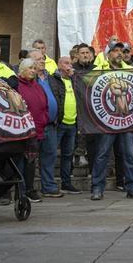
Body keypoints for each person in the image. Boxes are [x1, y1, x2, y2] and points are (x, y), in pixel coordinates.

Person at [90, 42, 133, 200]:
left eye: (122, 50)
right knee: (102, 155)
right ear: (108, 54)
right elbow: (86, 86)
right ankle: (97, 188)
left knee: (130, 155)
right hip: (106, 121)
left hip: (127, 120)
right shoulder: (98, 70)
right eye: (115, 50)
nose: (119, 53)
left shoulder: (132, 70)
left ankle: (132, 187)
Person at [25, 49, 62, 199]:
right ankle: (28, 188)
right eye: (38, 59)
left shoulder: (51, 78)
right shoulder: (28, 79)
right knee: (30, 159)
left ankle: (48, 187)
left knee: (50, 156)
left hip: (51, 125)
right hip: (33, 126)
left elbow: (59, 96)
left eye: (43, 58)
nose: (42, 61)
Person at [16, 57, 54, 202]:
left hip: (37, 130)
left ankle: (29, 189)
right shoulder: (17, 86)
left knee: (31, 162)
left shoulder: (38, 86)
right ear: (22, 70)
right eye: (30, 68)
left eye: (34, 68)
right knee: (20, 162)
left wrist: (44, 119)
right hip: (22, 131)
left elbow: (44, 105)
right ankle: (20, 191)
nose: (33, 71)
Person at [54, 56, 82, 194]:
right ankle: (48, 183)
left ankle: (66, 183)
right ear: (59, 65)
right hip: (59, 123)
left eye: (71, 63)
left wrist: (75, 77)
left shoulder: (73, 79)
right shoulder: (54, 79)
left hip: (72, 123)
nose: (69, 66)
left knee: (68, 155)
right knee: (51, 154)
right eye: (66, 63)